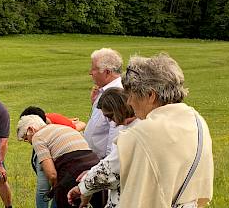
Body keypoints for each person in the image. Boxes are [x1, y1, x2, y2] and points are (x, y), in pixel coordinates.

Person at [115, 54, 213, 207]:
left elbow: (113, 168)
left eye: (132, 95)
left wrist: (84, 187)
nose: (129, 102)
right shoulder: (196, 120)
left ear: (150, 95)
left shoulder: (145, 132)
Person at [66, 88, 138, 208]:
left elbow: (111, 168)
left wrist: (83, 186)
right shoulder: (132, 127)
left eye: (110, 116)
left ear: (118, 109)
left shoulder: (133, 133)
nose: (112, 122)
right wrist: (92, 171)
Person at [17, 115, 99, 208]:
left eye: (26, 138)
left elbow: (52, 174)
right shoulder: (62, 127)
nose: (29, 141)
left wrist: (56, 189)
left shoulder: (37, 136)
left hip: (73, 171)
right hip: (94, 167)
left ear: (31, 129)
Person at [83, 48, 123, 160]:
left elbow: (115, 135)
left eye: (94, 69)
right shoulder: (103, 90)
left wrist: (106, 166)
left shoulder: (116, 94)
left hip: (102, 162)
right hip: (95, 160)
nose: (90, 72)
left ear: (107, 72)